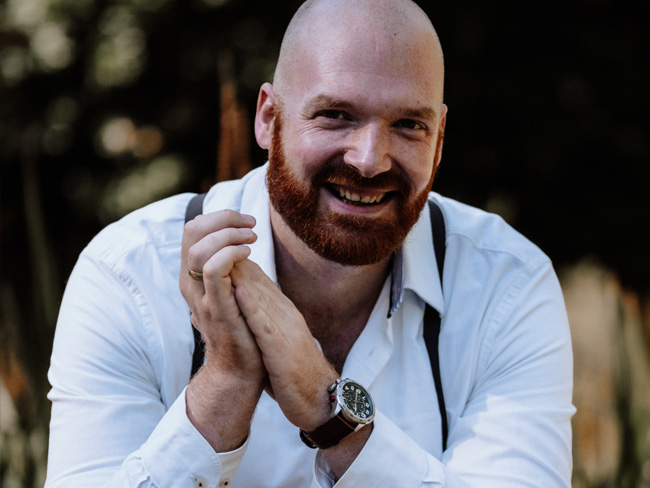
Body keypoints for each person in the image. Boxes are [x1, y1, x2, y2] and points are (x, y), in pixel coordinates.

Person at [45, 0, 575, 486]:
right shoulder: (130, 274)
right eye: (336, 115)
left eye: (409, 124)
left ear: (438, 143)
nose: (369, 159)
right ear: (268, 118)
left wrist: (330, 413)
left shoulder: (504, 284)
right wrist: (225, 383)